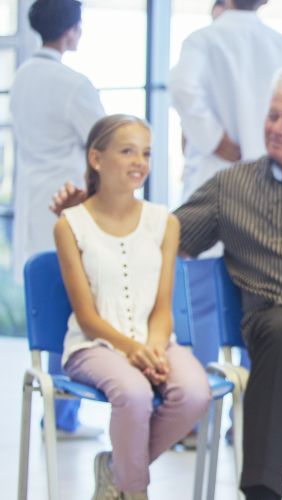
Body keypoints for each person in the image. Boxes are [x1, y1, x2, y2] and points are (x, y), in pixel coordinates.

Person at [55, 63, 282, 500]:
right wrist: (93, 213)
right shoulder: (231, 186)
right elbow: (154, 239)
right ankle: (261, 495)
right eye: (272, 116)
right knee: (280, 330)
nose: (275, 128)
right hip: (276, 332)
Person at [54, 115, 212, 500]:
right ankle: (135, 492)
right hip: (94, 346)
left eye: (146, 153)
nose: (139, 161)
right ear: (97, 158)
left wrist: (154, 348)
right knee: (135, 393)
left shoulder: (165, 222)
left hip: (156, 341)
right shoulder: (69, 224)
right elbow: (88, 317)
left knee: (195, 393)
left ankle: (114, 471)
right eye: (127, 151)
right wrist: (132, 350)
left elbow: (162, 305)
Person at [10, 0, 106, 441]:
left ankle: (57, 414)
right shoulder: (72, 82)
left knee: (48, 305)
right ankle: (63, 415)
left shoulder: (21, 77)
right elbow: (107, 142)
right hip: (67, 204)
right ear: (71, 31)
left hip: (34, 203)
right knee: (72, 311)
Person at [168, 0, 282, 200]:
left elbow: (182, 87)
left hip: (214, 176)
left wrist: (214, 139)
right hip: (271, 179)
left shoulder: (201, 41)